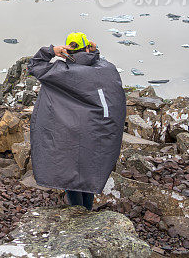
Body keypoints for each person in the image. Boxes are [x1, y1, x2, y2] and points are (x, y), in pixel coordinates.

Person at [27, 32, 126, 211]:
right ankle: (86, 210)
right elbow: (94, 62)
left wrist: (50, 51)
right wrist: (95, 52)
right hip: (96, 131)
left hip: (69, 132)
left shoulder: (59, 72)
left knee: (70, 172)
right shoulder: (106, 69)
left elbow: (34, 65)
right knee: (88, 169)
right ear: (88, 48)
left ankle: (77, 212)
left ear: (66, 52)